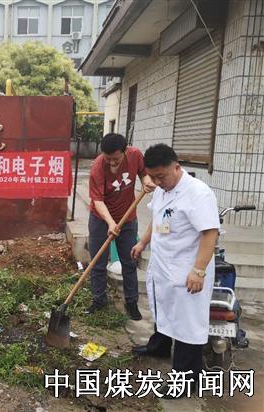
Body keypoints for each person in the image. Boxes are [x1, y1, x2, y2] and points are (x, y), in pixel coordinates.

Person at [130, 144, 219, 399]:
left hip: (186, 271)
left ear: (177, 167)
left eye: (161, 176)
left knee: (187, 326)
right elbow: (157, 219)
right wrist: (143, 242)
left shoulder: (197, 193)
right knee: (164, 311)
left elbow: (210, 232)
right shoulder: (162, 189)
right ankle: (159, 347)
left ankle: (185, 380)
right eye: (153, 177)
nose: (157, 182)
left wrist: (198, 270)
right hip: (164, 266)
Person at [87, 133, 154, 320]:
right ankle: (99, 300)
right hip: (100, 219)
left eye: (115, 159)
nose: (111, 162)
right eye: (107, 158)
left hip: (128, 219)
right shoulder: (97, 167)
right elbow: (98, 200)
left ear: (125, 151)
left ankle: (131, 302)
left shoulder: (135, 155)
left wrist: (146, 180)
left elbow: (144, 172)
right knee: (98, 263)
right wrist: (110, 223)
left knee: (129, 262)